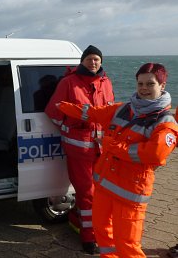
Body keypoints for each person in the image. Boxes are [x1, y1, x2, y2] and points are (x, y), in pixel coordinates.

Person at [57, 62, 178, 258]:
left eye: (150, 84)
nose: (144, 89)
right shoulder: (123, 109)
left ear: (162, 86)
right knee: (103, 235)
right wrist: (63, 106)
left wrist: (111, 145)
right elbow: (92, 113)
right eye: (140, 84)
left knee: (127, 245)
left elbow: (153, 154)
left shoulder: (166, 123)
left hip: (130, 193)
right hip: (105, 186)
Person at [45, 45, 114, 254]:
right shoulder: (68, 82)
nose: (94, 62)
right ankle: (88, 238)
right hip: (79, 149)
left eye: (97, 60)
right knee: (87, 194)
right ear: (82, 61)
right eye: (90, 59)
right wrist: (70, 127)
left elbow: (110, 111)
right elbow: (53, 110)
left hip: (102, 150)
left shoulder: (106, 82)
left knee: (102, 193)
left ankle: (78, 221)